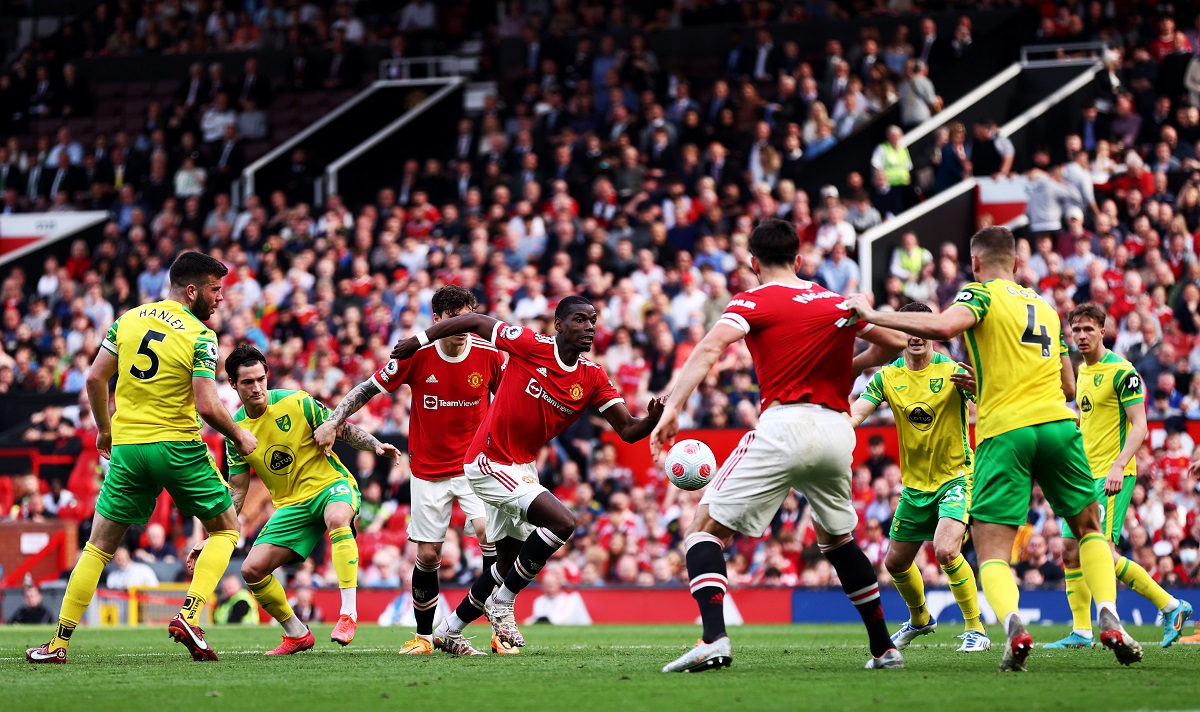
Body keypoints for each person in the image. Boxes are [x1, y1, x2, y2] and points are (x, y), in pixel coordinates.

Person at [841, 226, 1144, 671]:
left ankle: (1012, 625)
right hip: (1059, 426)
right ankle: (1110, 614)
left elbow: (944, 325)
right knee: (1089, 528)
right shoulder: (1045, 308)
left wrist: (873, 314)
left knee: (992, 552)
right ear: (1018, 264)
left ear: (976, 264)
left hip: (1006, 431)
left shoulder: (980, 295)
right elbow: (1065, 384)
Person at [650, 218, 910, 672]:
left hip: (784, 424)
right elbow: (892, 342)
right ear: (800, 259)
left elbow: (711, 348)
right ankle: (884, 648)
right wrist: (849, 368)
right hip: (836, 429)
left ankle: (714, 638)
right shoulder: (834, 301)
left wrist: (673, 406)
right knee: (837, 540)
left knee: (703, 531)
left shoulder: (753, 299)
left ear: (753, 263)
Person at [387, 296, 664, 656]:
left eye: (593, 320)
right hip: (488, 460)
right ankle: (504, 604)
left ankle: (449, 630)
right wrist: (419, 340)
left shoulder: (592, 377)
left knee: (504, 565)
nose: (590, 327)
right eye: (580, 320)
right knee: (563, 523)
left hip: (522, 467)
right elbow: (475, 321)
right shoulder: (531, 345)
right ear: (559, 325)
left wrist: (654, 419)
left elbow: (627, 429)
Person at [28, 252, 258, 665]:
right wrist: (239, 434)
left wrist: (104, 430)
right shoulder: (199, 335)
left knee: (97, 547)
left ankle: (58, 644)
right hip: (176, 445)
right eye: (215, 289)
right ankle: (189, 615)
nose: (220, 298)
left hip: (129, 449)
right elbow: (206, 405)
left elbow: (96, 377)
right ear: (192, 291)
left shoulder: (129, 319)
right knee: (226, 530)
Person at [314, 285, 505, 655]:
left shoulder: (488, 355)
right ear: (436, 321)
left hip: (474, 466)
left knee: (489, 533)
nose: (463, 326)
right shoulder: (417, 355)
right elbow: (368, 388)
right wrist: (334, 419)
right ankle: (424, 637)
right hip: (428, 470)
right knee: (428, 556)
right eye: (453, 318)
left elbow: (510, 399)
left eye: (468, 317)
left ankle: (498, 626)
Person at [187, 344, 397, 654]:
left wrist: (375, 445)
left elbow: (339, 427)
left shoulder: (297, 403)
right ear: (232, 384)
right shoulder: (235, 432)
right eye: (247, 382)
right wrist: (218, 535)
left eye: (261, 379)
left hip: (331, 486)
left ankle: (348, 613)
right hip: (291, 506)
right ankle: (297, 633)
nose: (257, 387)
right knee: (251, 570)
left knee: (339, 518)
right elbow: (238, 489)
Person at [1044, 304, 1193, 649]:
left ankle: (1170, 606)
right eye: (1076, 330)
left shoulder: (1122, 371)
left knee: (1104, 551)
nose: (1081, 336)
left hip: (1113, 474)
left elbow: (1140, 426)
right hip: (1082, 475)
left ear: (1103, 330)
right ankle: (1081, 632)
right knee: (1069, 550)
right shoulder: (1081, 371)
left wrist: (1117, 464)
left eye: (1087, 329)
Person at [847, 302, 990, 653]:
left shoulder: (952, 370)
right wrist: (827, 428)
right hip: (914, 486)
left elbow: (987, 404)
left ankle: (977, 629)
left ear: (931, 333)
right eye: (908, 329)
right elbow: (857, 413)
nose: (915, 336)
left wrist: (978, 387)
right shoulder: (887, 376)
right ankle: (920, 618)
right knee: (894, 563)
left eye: (922, 328)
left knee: (945, 549)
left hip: (956, 477)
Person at [526, 562, 592, 625]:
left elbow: (563, 618)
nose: (549, 588)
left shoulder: (570, 598)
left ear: (558, 584)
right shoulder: (539, 601)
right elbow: (537, 617)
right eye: (546, 585)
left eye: (551, 585)